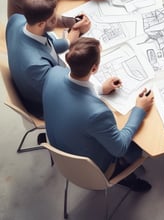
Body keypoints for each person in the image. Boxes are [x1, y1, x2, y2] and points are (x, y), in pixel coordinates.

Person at [42, 37, 154, 192]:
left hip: (60, 148)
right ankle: (125, 175)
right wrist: (139, 110)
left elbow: (72, 94)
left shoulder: (53, 73)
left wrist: (100, 89)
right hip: (92, 169)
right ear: (94, 69)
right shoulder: (97, 114)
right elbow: (119, 148)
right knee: (138, 143)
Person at [5, 0, 90, 118]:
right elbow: (63, 93)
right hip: (48, 107)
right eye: (53, 19)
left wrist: (72, 36)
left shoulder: (16, 20)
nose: (56, 21)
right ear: (41, 24)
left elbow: (45, 46)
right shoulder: (36, 67)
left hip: (39, 83)